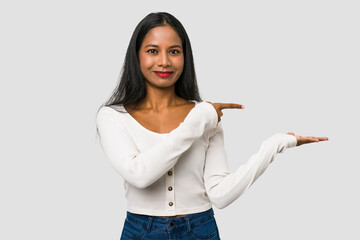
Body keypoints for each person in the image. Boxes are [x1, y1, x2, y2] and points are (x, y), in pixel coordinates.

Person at [95, 12, 328, 240]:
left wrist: (273, 146)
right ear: (136, 56)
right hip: (141, 230)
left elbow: (220, 195)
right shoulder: (113, 116)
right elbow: (140, 174)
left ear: (185, 57)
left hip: (200, 229)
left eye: (174, 51)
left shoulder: (206, 116)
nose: (164, 61)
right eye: (152, 51)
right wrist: (199, 119)